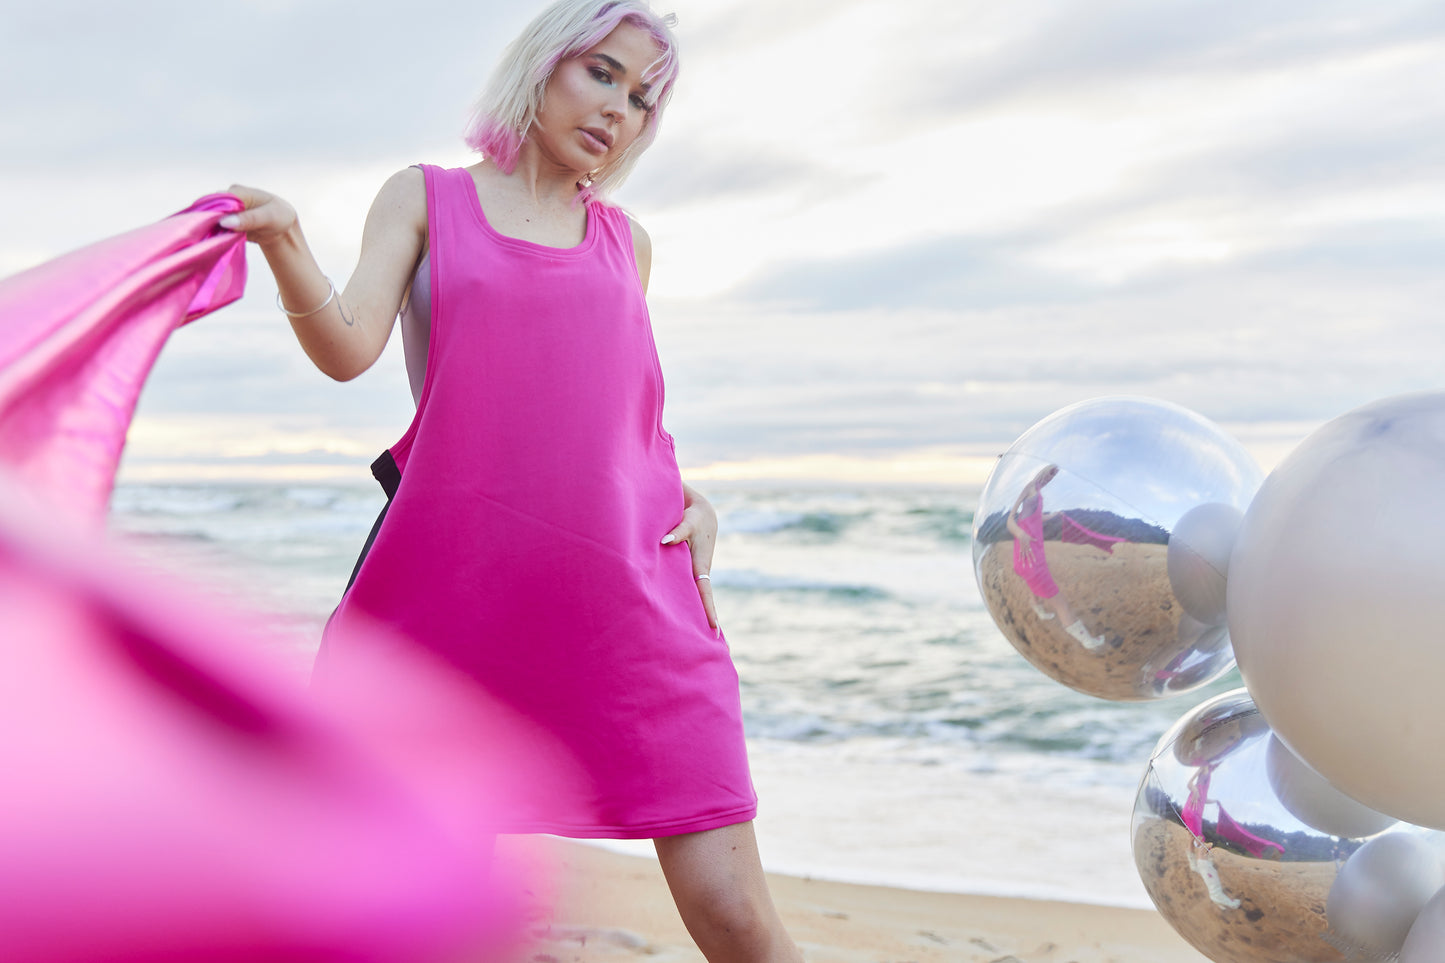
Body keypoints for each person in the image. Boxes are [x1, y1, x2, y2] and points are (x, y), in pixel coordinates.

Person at [218, 2, 803, 960]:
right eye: (602, 74)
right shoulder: (424, 197)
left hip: (631, 612)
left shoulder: (628, 243)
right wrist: (284, 240)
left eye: (644, 100)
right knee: (444, 921)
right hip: (455, 606)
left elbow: (614, 418)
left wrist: (691, 499)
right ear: (543, 66)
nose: (620, 110)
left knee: (737, 917)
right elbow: (346, 348)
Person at [1004, 464, 1113, 649]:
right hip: (1030, 557)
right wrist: (1019, 533)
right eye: (1050, 472)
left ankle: (1036, 605)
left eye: (1054, 475)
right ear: (1043, 470)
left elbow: (1034, 517)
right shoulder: (1030, 486)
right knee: (1061, 604)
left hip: (1031, 556)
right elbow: (1011, 518)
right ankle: (1088, 642)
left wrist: (1052, 515)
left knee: (1036, 583)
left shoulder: (1037, 491)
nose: (1050, 477)